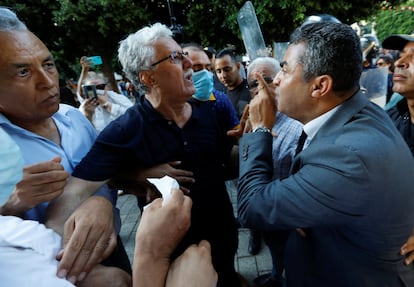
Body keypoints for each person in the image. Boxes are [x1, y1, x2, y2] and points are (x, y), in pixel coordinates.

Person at [50, 22, 243, 287]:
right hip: (172, 257)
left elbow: (225, 163)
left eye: (183, 54)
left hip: (224, 236)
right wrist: (136, 176)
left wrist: (254, 139)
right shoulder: (124, 129)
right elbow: (78, 189)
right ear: (148, 78)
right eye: (176, 57)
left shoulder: (208, 112)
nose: (188, 62)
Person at [237, 22, 414, 286]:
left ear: (320, 86)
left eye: (284, 69)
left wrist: (260, 129)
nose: (276, 80)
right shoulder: (363, 112)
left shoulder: (348, 157)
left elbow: (251, 206)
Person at [0, 7, 131, 285]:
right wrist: (8, 203)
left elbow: (106, 174)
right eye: (23, 72)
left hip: (113, 251)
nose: (48, 82)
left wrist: (137, 179)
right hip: (53, 274)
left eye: (48, 65)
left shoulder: (74, 117)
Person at [246, 56, 303, 287]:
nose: (260, 88)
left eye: (266, 79)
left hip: (290, 220)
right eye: (253, 83)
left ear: (279, 80)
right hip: (265, 218)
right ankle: (275, 276)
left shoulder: (298, 124)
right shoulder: (252, 118)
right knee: (276, 255)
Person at [77, 56, 134, 133]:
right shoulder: (86, 106)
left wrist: (106, 105)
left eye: (100, 87)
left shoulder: (116, 98)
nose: (96, 91)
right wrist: (84, 70)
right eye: (91, 88)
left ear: (107, 87)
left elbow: (133, 115)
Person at [215, 48, 251, 119]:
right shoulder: (219, 94)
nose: (223, 76)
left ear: (238, 67)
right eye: (219, 71)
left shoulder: (251, 91)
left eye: (227, 70)